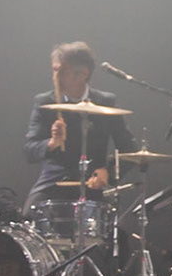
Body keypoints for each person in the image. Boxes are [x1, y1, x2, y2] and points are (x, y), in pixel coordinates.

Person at [23, 41, 135, 206]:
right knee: (28, 218)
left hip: (93, 187)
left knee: (114, 228)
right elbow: (29, 151)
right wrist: (51, 143)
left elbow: (129, 149)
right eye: (54, 71)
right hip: (53, 185)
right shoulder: (44, 102)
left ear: (82, 74)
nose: (55, 77)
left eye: (61, 72)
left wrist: (108, 173)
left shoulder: (105, 102)